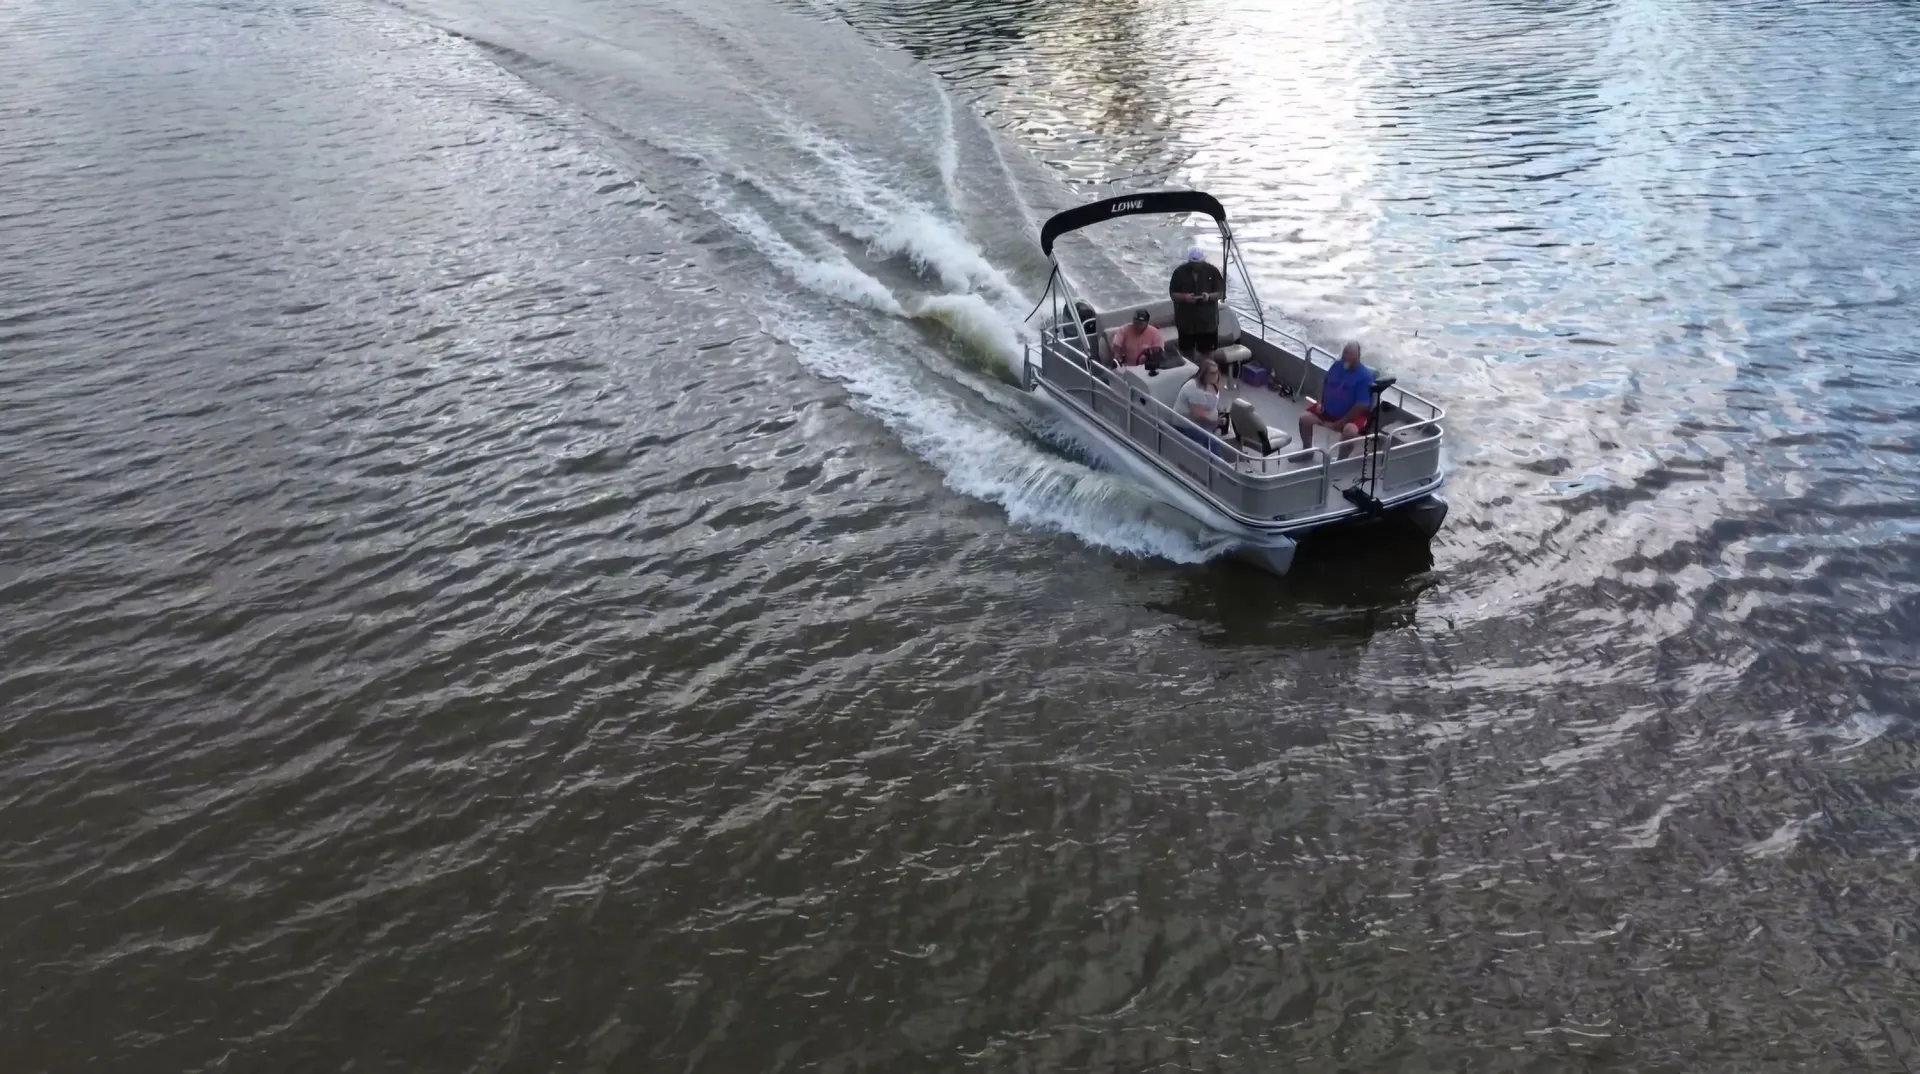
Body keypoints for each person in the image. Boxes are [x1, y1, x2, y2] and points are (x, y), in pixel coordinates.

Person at [1299, 342, 1376, 456]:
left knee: (1350, 432)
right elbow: (1324, 383)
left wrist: (1340, 423)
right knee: (1304, 419)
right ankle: (1307, 452)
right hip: (1327, 410)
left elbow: (1362, 405)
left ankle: (1340, 462)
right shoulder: (1337, 365)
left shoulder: (1364, 376)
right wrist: (1320, 402)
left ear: (1358, 356)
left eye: (1351, 354)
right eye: (1345, 353)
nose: (1347, 357)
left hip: (1350, 416)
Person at [1168, 247, 1225, 362]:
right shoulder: (1179, 272)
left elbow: (1220, 293)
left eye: (1198, 263)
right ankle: (1190, 373)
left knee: (1208, 352)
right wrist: (1185, 297)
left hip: (1207, 323)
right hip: (1186, 323)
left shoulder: (1213, 271)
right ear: (1189, 261)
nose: (1196, 266)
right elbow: (1173, 294)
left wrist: (1209, 296)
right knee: (1186, 352)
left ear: (1203, 261)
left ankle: (1207, 374)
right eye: (1193, 263)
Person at [1174, 359, 1230, 454]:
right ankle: (1217, 467)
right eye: (1212, 373)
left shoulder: (1211, 384)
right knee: (1213, 442)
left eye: (1217, 372)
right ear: (1204, 374)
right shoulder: (1195, 389)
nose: (1216, 375)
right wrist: (1216, 422)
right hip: (1186, 426)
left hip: (1207, 422)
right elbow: (1198, 416)